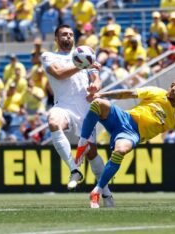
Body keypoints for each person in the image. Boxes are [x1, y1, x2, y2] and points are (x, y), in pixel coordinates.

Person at [75, 79, 175, 208]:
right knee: (98, 103)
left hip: (132, 133)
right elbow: (129, 93)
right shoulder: (157, 93)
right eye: (172, 85)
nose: (173, 88)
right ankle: (83, 143)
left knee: (120, 151)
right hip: (123, 118)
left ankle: (97, 191)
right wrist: (102, 94)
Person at [41, 24, 114, 206]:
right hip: (63, 105)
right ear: (56, 39)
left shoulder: (85, 54)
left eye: (71, 35)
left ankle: (106, 194)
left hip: (85, 109)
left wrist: (95, 87)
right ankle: (74, 170)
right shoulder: (49, 56)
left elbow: (95, 79)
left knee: (91, 153)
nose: (68, 37)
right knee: (53, 121)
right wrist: (81, 64)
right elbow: (58, 74)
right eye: (64, 35)